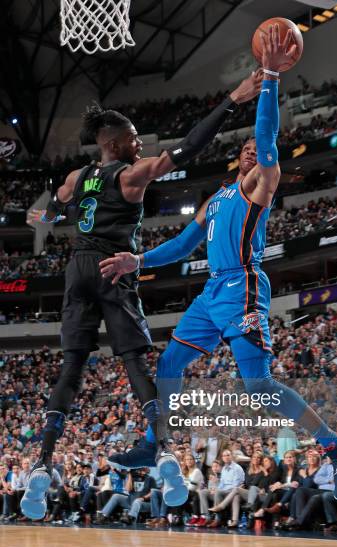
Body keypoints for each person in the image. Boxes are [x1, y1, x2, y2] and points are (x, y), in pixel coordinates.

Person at [100, 24, 337, 504]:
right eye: (242, 151)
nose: (249, 152)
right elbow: (181, 246)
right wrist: (137, 259)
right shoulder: (217, 199)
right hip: (210, 294)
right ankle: (154, 443)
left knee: (257, 385)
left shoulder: (259, 183)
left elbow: (265, 134)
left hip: (242, 284)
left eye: (253, 151)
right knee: (170, 364)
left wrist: (269, 78)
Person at [20, 70, 262, 521]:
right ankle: (165, 450)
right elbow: (189, 147)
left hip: (77, 269)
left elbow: (45, 211)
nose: (139, 146)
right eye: (133, 139)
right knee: (134, 360)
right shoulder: (131, 176)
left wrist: (43, 212)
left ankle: (42, 460)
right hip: (115, 266)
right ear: (114, 143)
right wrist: (233, 99)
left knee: (72, 364)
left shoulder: (76, 177)